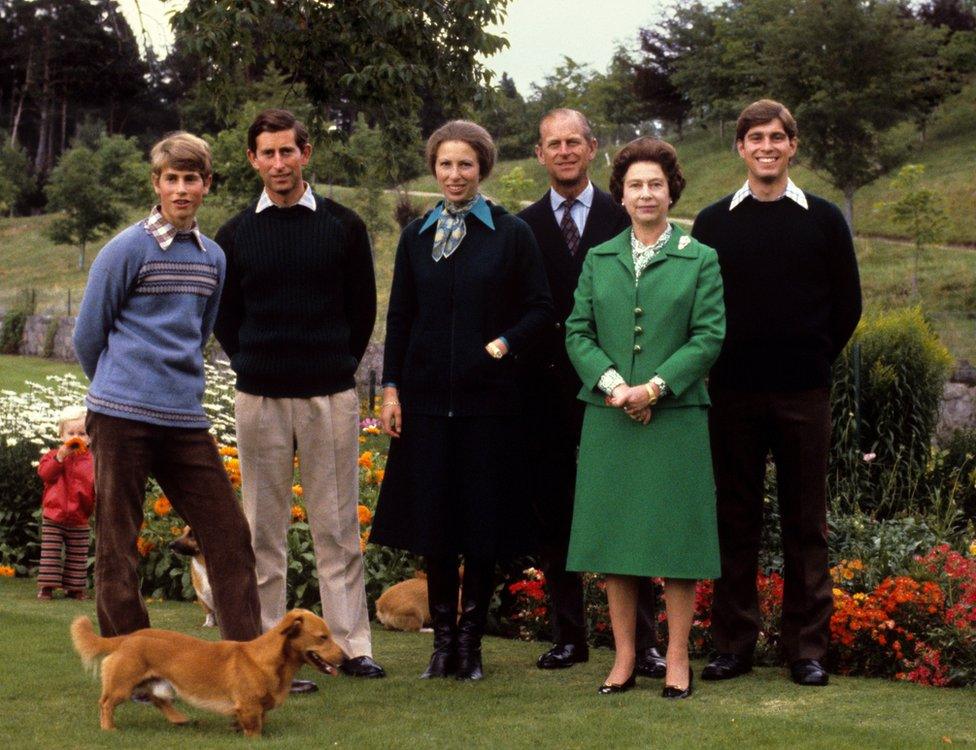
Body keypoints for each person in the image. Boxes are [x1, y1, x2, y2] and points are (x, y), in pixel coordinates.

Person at [369, 120, 553, 681]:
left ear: (483, 169)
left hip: (490, 406)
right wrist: (391, 388)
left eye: (465, 165)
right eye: (445, 165)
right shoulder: (416, 236)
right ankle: (441, 642)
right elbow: (400, 318)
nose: (454, 175)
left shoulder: (510, 232)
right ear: (434, 169)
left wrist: (500, 345)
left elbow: (542, 310)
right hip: (425, 405)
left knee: (480, 527)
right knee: (436, 526)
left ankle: (471, 644)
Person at [692, 99, 862, 687]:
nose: (766, 146)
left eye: (777, 137)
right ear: (740, 148)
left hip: (802, 394)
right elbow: (699, 309)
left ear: (793, 145)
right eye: (755, 137)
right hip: (732, 393)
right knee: (733, 519)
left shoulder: (823, 219)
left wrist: (811, 359)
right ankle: (733, 645)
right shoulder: (713, 224)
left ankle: (807, 649)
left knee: (805, 524)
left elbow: (848, 305)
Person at [213, 109, 384, 687]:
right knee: (263, 530)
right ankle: (270, 651)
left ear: (306, 153)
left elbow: (362, 310)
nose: (279, 163)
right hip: (259, 395)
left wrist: (334, 365)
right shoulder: (234, 235)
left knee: (336, 527)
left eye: (288, 151)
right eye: (268, 153)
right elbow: (226, 317)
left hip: (327, 395)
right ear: (253, 160)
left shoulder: (343, 225)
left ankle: (352, 645)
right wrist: (254, 362)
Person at [73, 132, 261, 643]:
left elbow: (198, 335)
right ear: (156, 184)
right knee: (117, 541)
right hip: (121, 416)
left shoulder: (212, 258)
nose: (181, 189)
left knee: (228, 534)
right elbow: (88, 334)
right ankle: (133, 664)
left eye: (191, 179)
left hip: (184, 419)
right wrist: (117, 391)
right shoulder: (125, 249)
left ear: (206, 185)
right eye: (171, 179)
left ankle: (248, 657)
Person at [565, 137, 725, 698]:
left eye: (655, 183)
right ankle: (625, 657)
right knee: (615, 541)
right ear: (622, 193)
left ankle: (677, 657)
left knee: (677, 543)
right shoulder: (599, 256)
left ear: (671, 189)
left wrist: (653, 388)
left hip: (675, 417)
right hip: (609, 416)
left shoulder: (699, 258)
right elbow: (577, 331)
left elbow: (709, 337)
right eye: (636, 184)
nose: (646, 193)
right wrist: (615, 387)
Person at [517, 108, 665, 676]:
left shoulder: (623, 214)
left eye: (573, 142)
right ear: (539, 154)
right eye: (553, 144)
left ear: (592, 148)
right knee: (556, 516)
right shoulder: (523, 225)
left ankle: (645, 643)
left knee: (630, 511)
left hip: (620, 390)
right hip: (546, 392)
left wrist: (635, 385)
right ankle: (569, 636)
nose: (564, 152)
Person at [36, 405, 94, 601]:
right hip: (55, 514)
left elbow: (96, 484)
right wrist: (60, 457)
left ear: (90, 437)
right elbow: (45, 474)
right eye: (70, 433)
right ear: (61, 435)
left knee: (78, 554)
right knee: (51, 553)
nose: (76, 437)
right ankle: (47, 587)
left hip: (80, 515)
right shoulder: (54, 456)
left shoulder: (93, 460)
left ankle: (75, 587)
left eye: (82, 433)